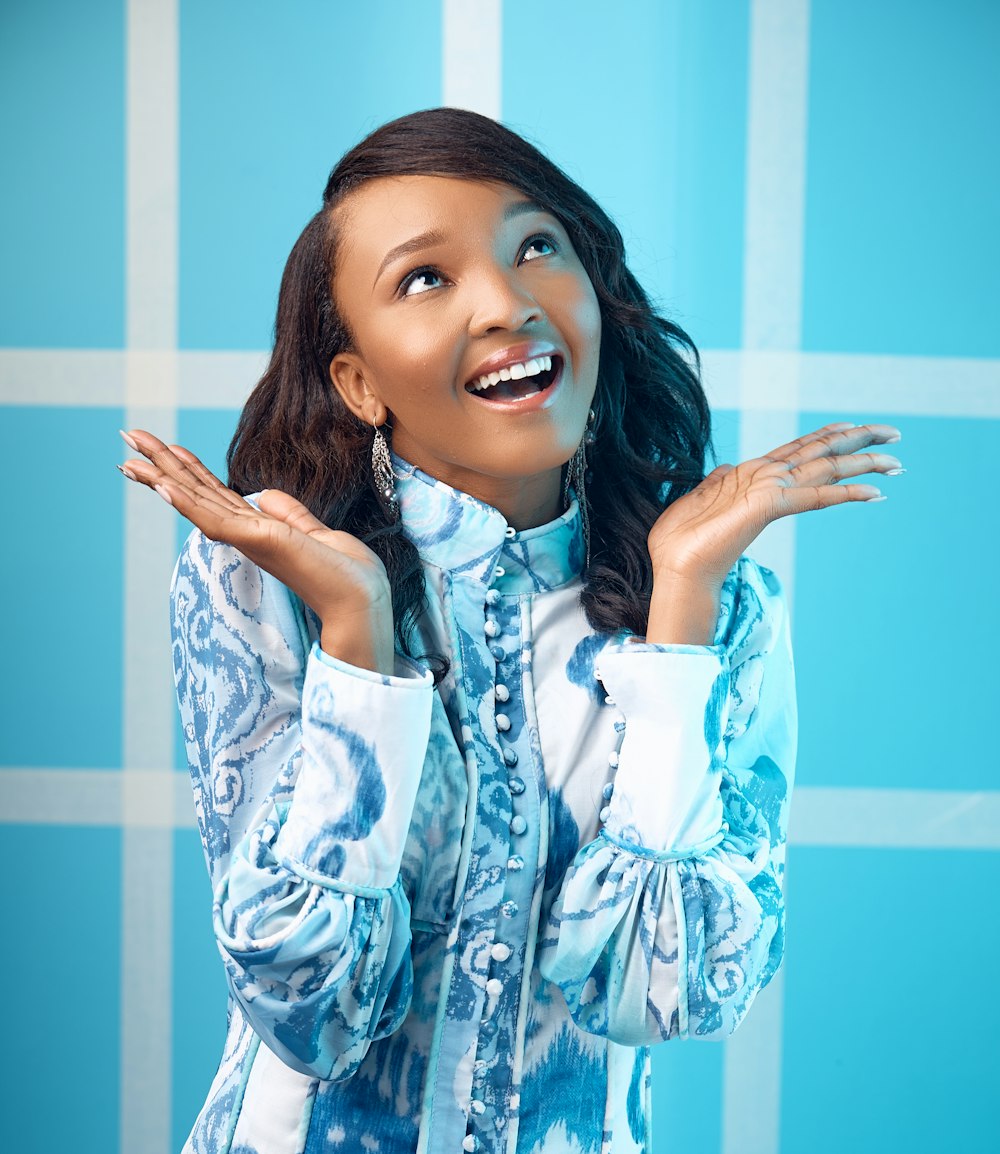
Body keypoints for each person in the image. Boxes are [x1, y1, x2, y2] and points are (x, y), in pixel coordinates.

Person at [118, 107, 901, 1154]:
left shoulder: (720, 603)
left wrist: (676, 631)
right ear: (357, 381)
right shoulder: (260, 586)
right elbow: (312, 1006)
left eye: (537, 246)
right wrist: (357, 644)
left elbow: (661, 992)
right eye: (425, 279)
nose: (506, 302)